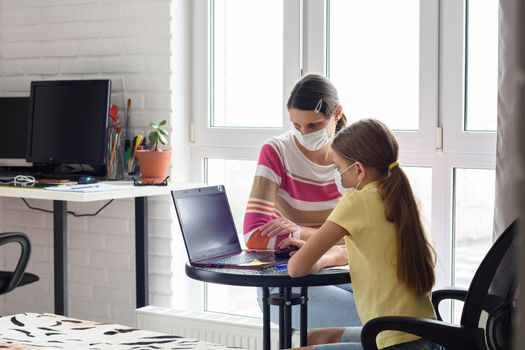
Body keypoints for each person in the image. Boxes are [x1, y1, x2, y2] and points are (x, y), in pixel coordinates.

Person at [284, 118, 442, 350]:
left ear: (358, 169)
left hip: (396, 344)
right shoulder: (398, 199)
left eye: (338, 168)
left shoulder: (357, 201)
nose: (339, 176)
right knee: (315, 338)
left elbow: (295, 268)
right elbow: (354, 252)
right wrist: (321, 260)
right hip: (425, 335)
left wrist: (310, 259)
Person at [243, 74, 361, 328]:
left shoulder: (354, 159)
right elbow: (255, 235)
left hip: (345, 269)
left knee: (396, 313)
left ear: (337, 113)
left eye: (314, 125)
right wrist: (340, 243)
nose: (304, 133)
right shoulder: (277, 152)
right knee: (381, 321)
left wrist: (299, 232)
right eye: (297, 126)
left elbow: (370, 235)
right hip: (290, 277)